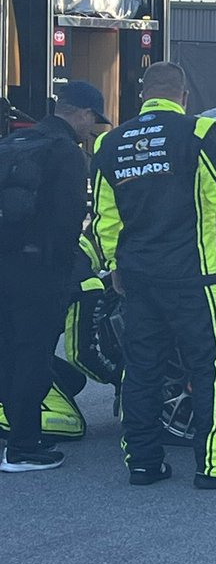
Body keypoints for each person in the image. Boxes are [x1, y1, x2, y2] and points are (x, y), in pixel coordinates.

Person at [92, 62, 216, 488]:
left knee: (141, 370)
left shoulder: (109, 143)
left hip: (139, 280)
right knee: (214, 368)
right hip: (195, 280)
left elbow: (104, 219)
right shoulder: (198, 133)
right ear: (183, 96)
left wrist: (115, 264)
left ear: (143, 96)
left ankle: (144, 464)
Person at [0, 80, 107, 472]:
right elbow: (66, 225)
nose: (91, 129)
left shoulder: (13, 142)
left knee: (8, 352)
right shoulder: (66, 153)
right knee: (34, 355)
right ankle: (23, 449)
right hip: (39, 272)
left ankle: (17, 434)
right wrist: (67, 275)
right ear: (81, 112)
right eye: (92, 121)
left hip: (3, 265)